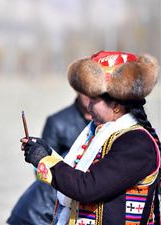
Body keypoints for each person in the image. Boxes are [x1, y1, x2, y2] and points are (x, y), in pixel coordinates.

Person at [21, 51, 160, 225]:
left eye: (94, 100)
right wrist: (47, 153)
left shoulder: (137, 143)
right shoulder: (99, 132)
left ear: (116, 105)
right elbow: (79, 175)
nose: (88, 106)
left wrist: (44, 160)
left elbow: (87, 187)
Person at [7, 93, 91, 225]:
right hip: (41, 212)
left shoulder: (104, 129)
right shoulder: (57, 122)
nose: (90, 96)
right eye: (86, 91)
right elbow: (40, 169)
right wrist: (39, 156)